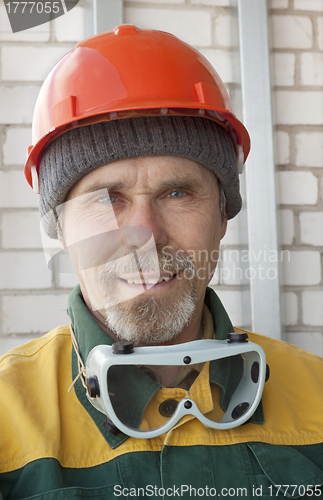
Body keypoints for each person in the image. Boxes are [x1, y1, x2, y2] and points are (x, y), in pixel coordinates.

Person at [1, 24, 323, 500]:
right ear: (61, 228)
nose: (145, 235)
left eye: (177, 193)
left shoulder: (316, 395)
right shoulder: (8, 414)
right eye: (108, 198)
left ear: (223, 215)